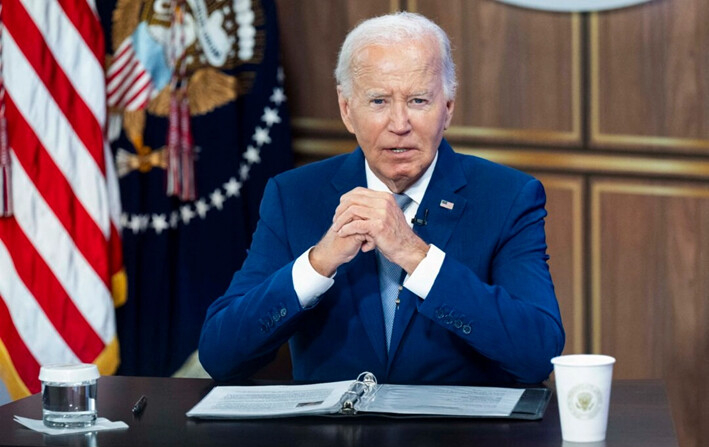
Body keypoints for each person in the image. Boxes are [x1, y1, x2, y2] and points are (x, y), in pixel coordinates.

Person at [199, 12, 564, 385]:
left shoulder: (508, 197)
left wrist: (416, 257)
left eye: (419, 100)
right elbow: (220, 355)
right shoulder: (293, 196)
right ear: (346, 110)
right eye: (378, 101)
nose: (400, 123)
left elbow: (538, 353)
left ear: (448, 108)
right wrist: (317, 263)